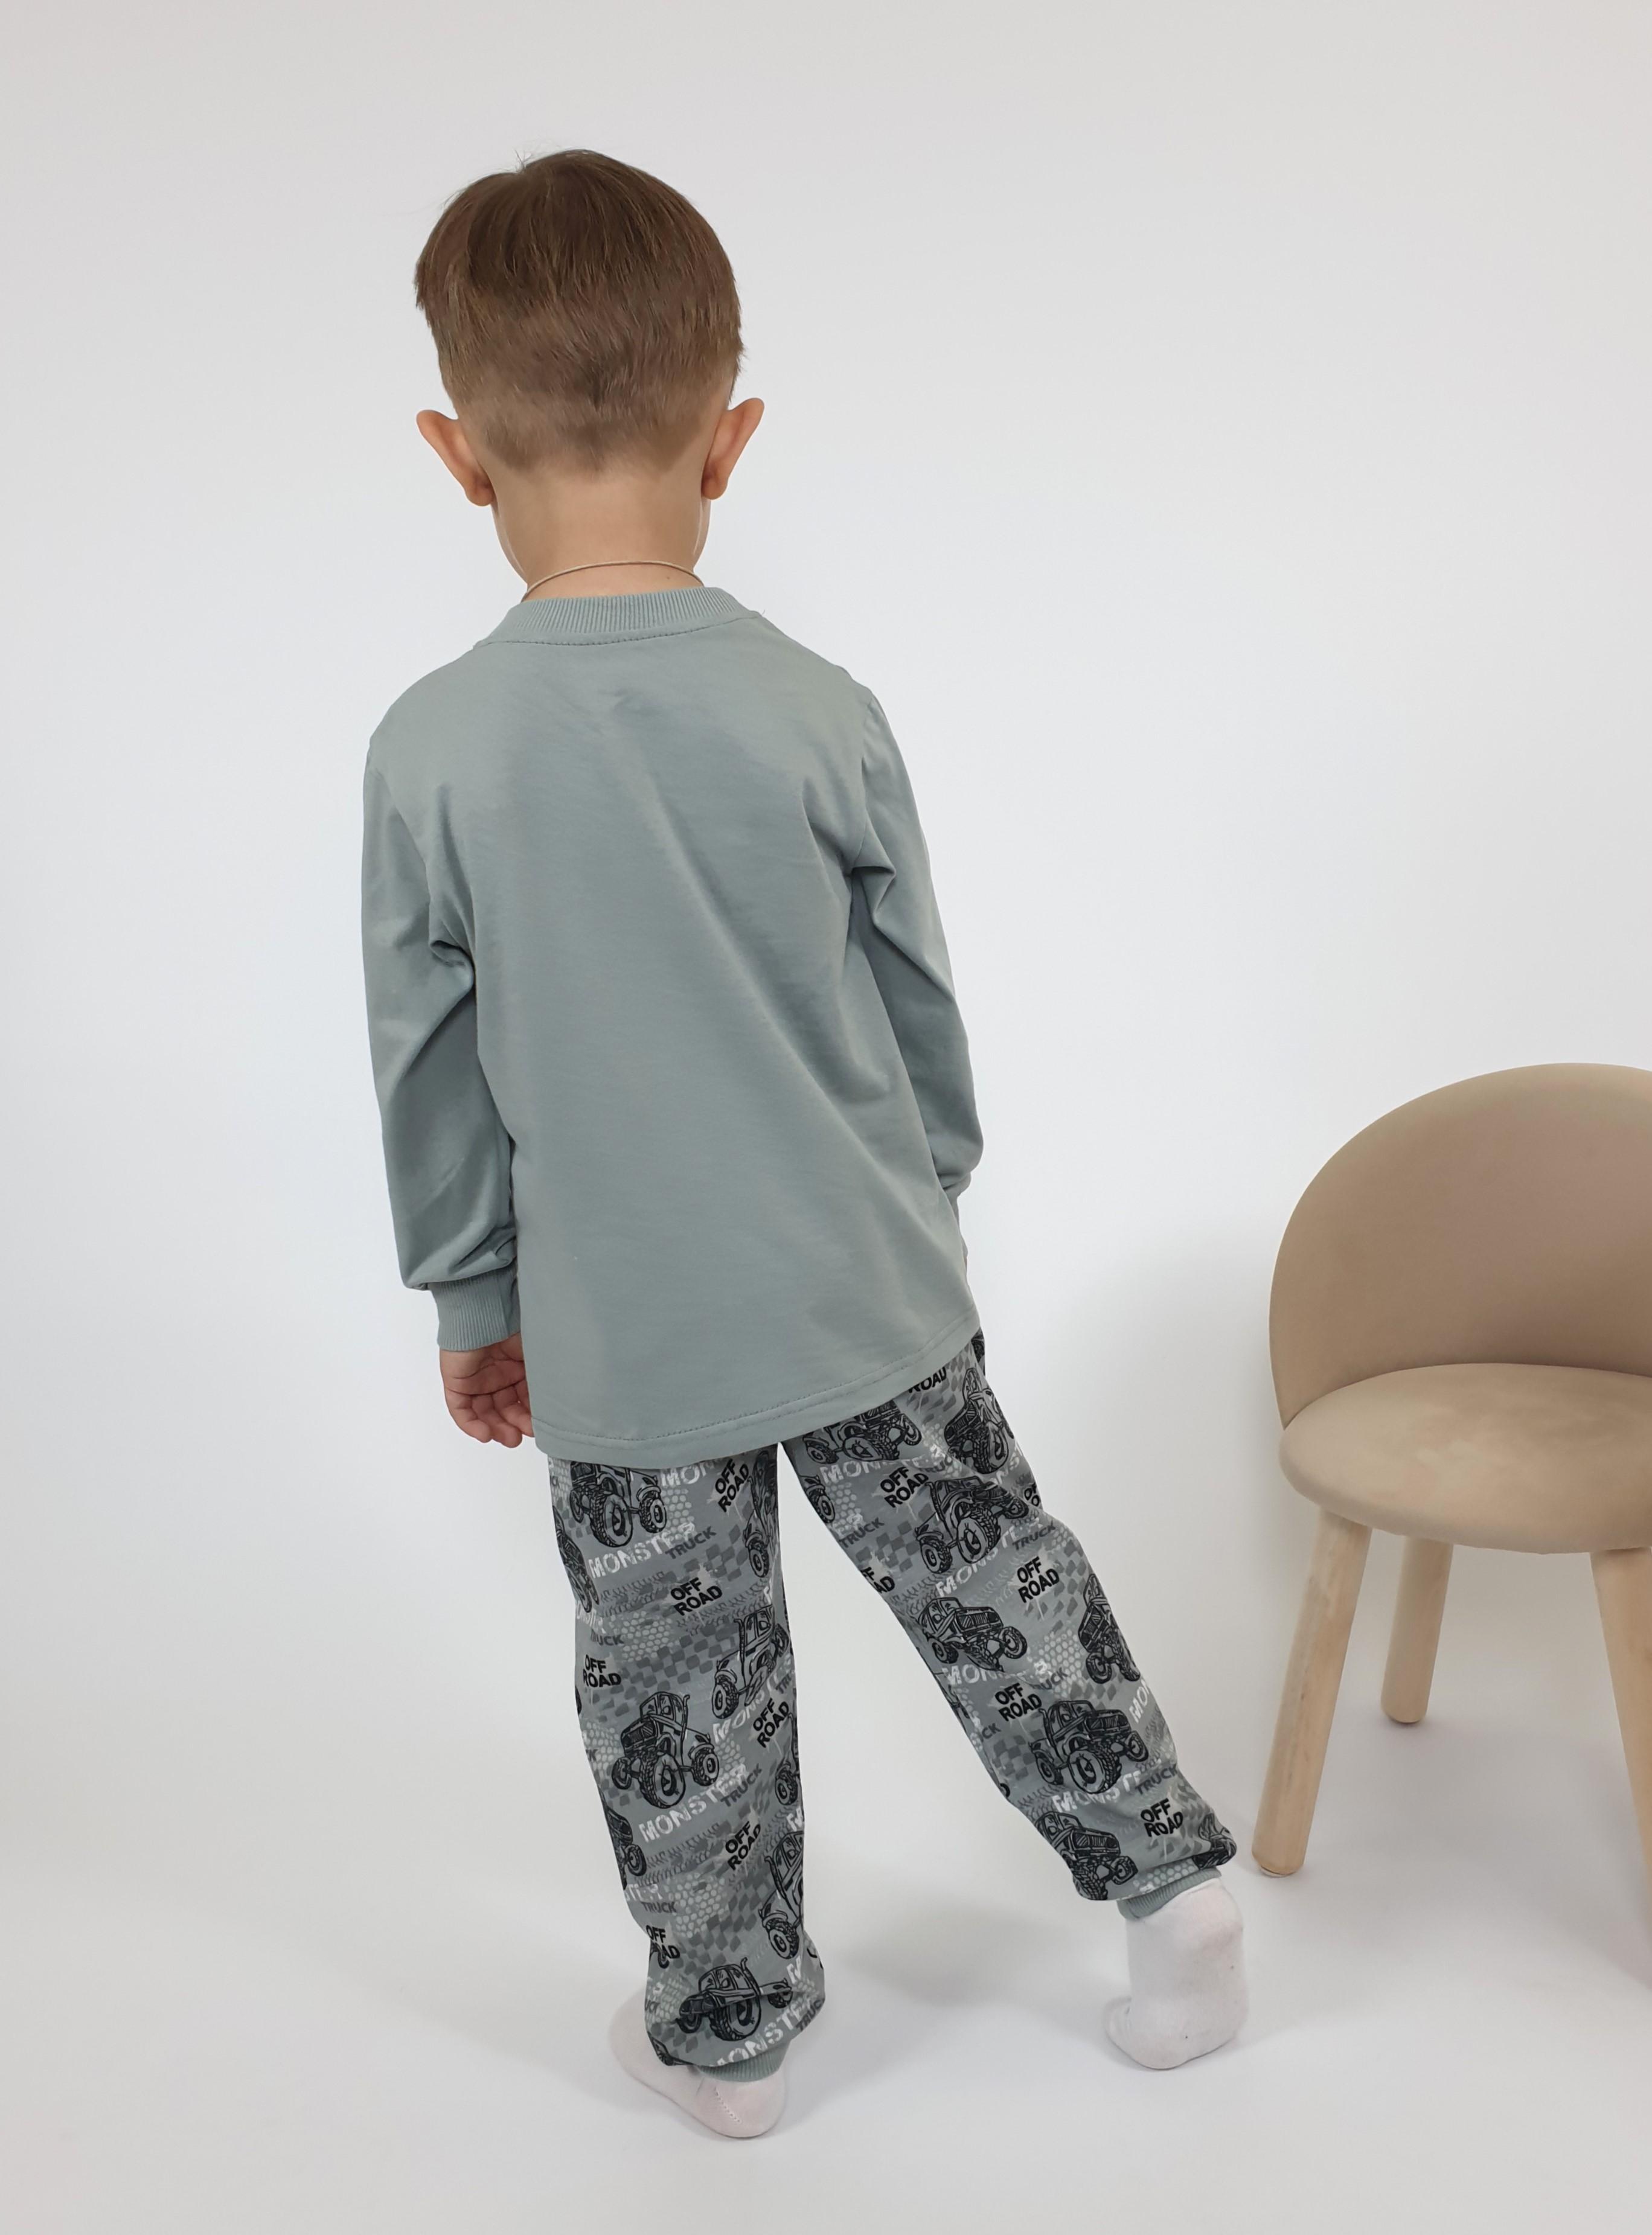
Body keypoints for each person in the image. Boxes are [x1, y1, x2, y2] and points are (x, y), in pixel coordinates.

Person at [361, 149, 1247, 2141]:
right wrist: (923, 1198)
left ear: (455, 453)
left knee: (674, 1685)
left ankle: (730, 2036)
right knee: (1002, 1595)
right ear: (729, 439)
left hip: (625, 1332)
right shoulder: (817, 705)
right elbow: (917, 996)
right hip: (866, 1282)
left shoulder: (433, 749)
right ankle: (1171, 1893)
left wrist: (473, 1300)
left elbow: (425, 1063)